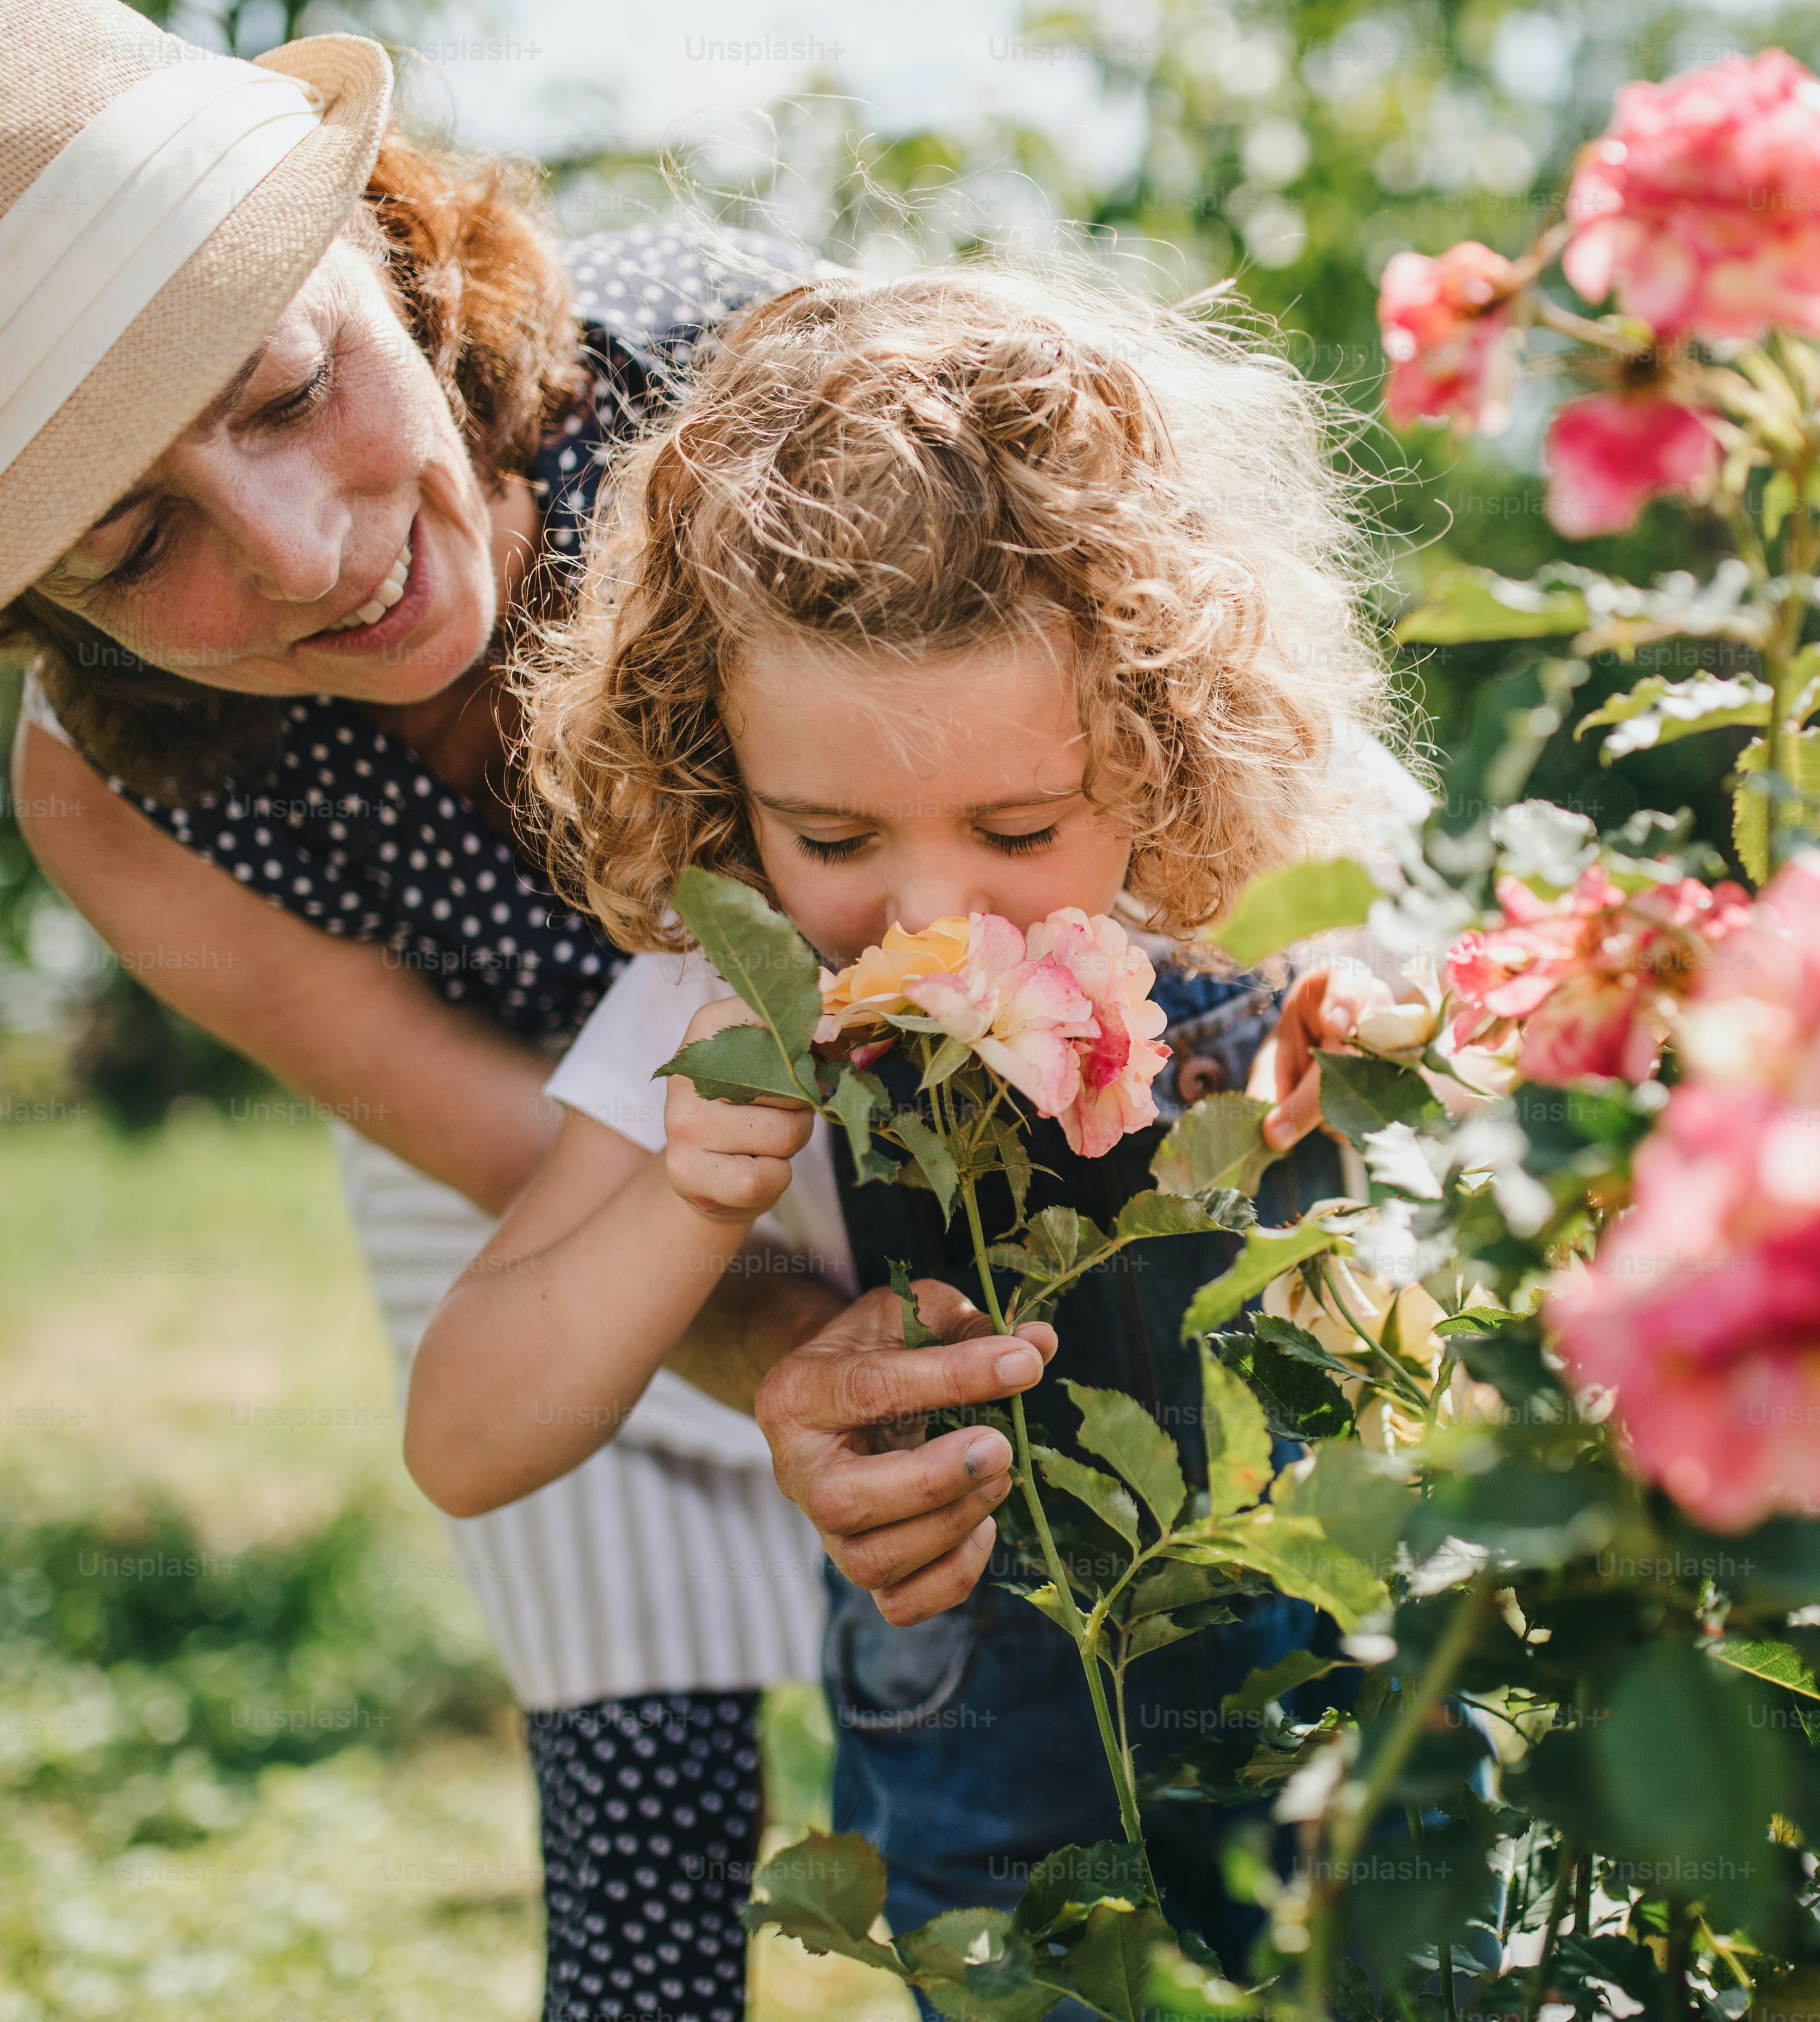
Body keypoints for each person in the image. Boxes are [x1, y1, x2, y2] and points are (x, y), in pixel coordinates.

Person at [0, 4, 1020, 2015]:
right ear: (52, 613)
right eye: (137, 550)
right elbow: (503, 1152)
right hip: (532, 1161)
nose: (311, 556)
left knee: (1041, 1715)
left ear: (393, 248)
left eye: (290, 388)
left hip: (939, 1052)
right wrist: (779, 1361)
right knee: (639, 1818)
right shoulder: (118, 793)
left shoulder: (764, 398)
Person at [401, 258, 1420, 1959]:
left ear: (1162, 726)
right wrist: (687, 1194)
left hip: (1337, 1679)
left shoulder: (1260, 883)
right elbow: (468, 1429)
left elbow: (1521, 1132)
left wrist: (1394, 1059)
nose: (927, 913)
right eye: (834, 838)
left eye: (1018, 835)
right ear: (724, 777)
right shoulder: (728, 991)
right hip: (978, 1725)